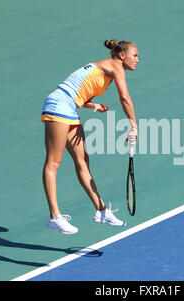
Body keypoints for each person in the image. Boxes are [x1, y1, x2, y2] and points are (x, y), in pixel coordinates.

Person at [40, 40, 139, 234]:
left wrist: (93, 105)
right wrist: (134, 124)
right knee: (53, 162)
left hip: (69, 107)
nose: (138, 60)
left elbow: (79, 91)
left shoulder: (107, 69)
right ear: (121, 55)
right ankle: (55, 217)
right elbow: (124, 98)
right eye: (135, 55)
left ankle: (101, 211)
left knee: (83, 161)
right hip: (59, 105)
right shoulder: (115, 67)